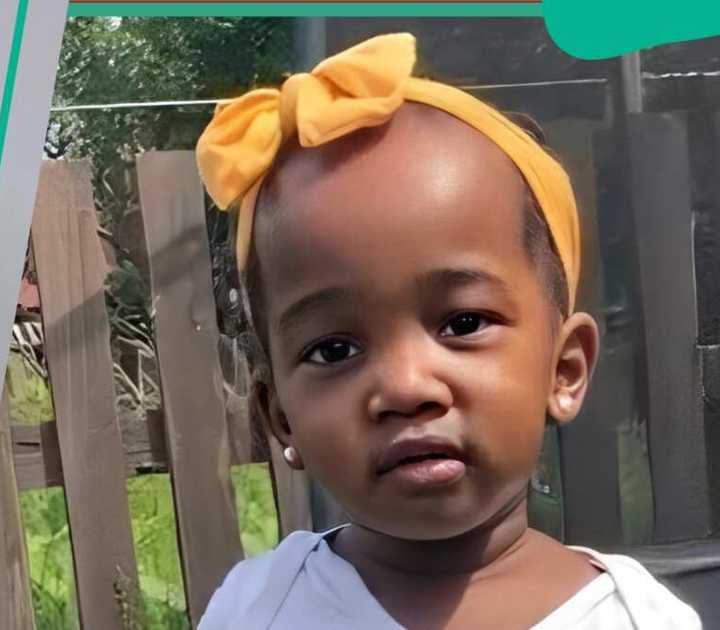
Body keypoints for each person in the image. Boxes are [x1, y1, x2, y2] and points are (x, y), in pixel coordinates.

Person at [195, 33, 701, 629]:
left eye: (462, 324)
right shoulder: (257, 610)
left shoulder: (641, 620)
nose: (407, 387)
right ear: (280, 416)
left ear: (564, 369)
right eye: (335, 349)